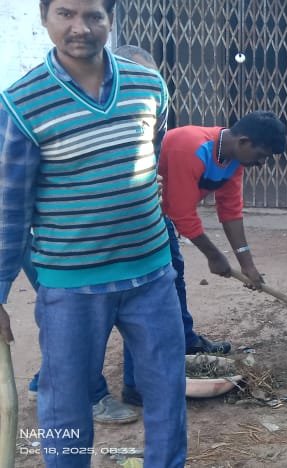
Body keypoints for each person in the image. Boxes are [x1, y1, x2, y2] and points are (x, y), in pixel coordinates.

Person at [0, 0, 188, 465]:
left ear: (110, 20)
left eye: (93, 16)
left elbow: (150, 153)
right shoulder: (21, 103)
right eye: (65, 14)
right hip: (71, 285)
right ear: (44, 18)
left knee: (166, 394)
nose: (79, 28)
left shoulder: (148, 84)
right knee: (65, 406)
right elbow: (9, 209)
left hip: (152, 274)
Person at [23, 43, 235, 422]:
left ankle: (135, 382)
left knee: (164, 286)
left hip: (136, 228)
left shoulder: (140, 105)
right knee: (81, 320)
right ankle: (86, 393)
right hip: (63, 244)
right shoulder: (44, 108)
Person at [159, 110, 285, 293]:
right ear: (243, 142)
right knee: (164, 284)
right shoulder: (191, 147)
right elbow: (182, 214)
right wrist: (214, 256)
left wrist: (247, 264)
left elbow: (230, 211)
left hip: (160, 217)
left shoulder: (234, 160)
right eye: (261, 155)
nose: (262, 163)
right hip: (134, 218)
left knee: (173, 282)